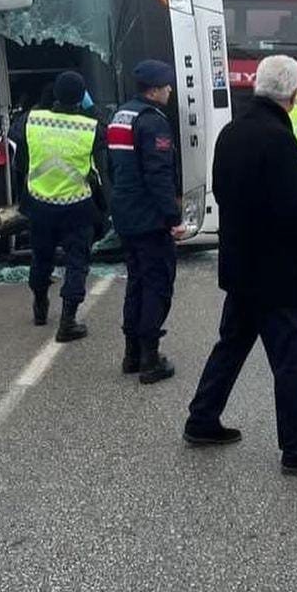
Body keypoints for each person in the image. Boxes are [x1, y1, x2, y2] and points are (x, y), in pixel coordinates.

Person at [185, 55, 297, 477]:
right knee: (293, 361)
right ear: (293, 95)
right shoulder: (280, 140)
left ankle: (202, 419)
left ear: (257, 86)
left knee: (232, 345)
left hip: (240, 263)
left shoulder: (231, 132)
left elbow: (222, 191)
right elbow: (294, 212)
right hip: (277, 273)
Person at [9, 69, 106, 343]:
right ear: (81, 97)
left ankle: (40, 306)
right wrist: (91, 107)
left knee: (41, 258)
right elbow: (104, 147)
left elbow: (19, 155)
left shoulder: (31, 120)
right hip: (77, 206)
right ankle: (68, 320)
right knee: (77, 262)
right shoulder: (90, 128)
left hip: (40, 204)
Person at [107, 59, 182, 384]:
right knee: (157, 283)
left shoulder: (121, 115)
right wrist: (173, 217)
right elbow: (158, 174)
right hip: (149, 216)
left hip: (125, 212)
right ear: (155, 89)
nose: (170, 91)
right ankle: (151, 360)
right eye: (167, 86)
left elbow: (111, 166)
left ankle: (132, 354)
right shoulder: (152, 122)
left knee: (136, 281)